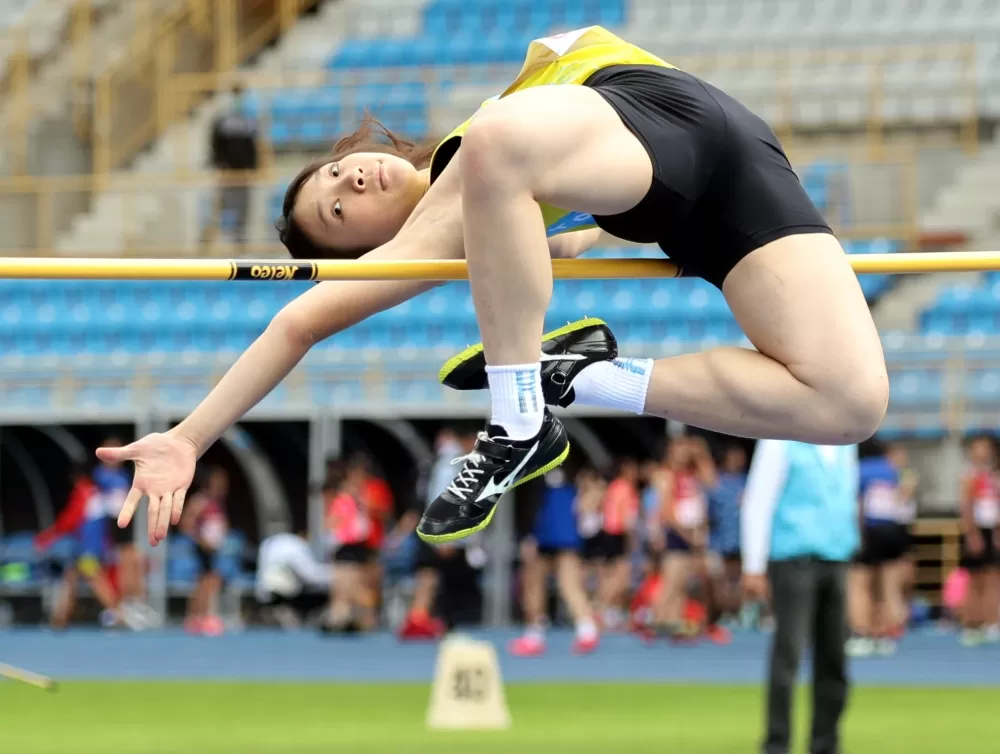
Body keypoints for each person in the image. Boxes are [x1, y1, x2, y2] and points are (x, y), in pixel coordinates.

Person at [97, 25, 887, 552]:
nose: (355, 181)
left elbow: (569, 223)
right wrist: (187, 438)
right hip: (699, 202)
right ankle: (569, 384)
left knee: (494, 143)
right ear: (373, 251)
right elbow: (298, 323)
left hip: (676, 116)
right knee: (848, 404)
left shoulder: (482, 149)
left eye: (338, 171)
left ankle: (521, 413)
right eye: (340, 211)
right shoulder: (451, 223)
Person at [741, 440, 860, 754]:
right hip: (794, 558)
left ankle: (826, 742)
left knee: (834, 657)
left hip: (836, 556)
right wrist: (753, 564)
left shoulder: (847, 443)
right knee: (788, 654)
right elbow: (758, 500)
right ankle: (777, 742)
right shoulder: (780, 440)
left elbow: (847, 496)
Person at [509, 467, 599, 656]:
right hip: (558, 532)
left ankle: (539, 633)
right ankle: (583, 629)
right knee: (556, 584)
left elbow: (529, 502)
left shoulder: (537, 469)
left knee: (546, 584)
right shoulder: (564, 472)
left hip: (552, 532)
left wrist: (526, 535)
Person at [848, 443, 917, 657]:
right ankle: (886, 634)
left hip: (871, 530)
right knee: (889, 586)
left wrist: (856, 535)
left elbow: (856, 503)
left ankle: (862, 634)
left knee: (859, 583)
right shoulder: (895, 471)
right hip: (895, 531)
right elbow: (903, 503)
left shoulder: (858, 469)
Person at [204, 84, 259, 248]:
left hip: (243, 174)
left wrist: (252, 168)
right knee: (220, 205)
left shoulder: (250, 121)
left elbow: (253, 147)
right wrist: (221, 166)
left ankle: (239, 239)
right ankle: (210, 238)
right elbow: (215, 146)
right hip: (226, 174)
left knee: (243, 206)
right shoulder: (221, 121)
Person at [958, 435, 1000, 647]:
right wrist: (972, 534)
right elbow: (966, 506)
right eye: (977, 448)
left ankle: (991, 621)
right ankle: (972, 623)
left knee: (993, 579)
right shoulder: (970, 476)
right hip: (977, 530)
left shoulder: (993, 476)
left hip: (992, 529)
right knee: (975, 580)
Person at [179, 466, 230, 636]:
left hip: (215, 547)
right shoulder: (200, 501)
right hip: (203, 547)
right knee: (204, 582)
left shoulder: (217, 503)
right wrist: (201, 540)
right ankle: (197, 617)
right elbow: (186, 523)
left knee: (210, 581)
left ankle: (202, 616)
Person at [255, 530, 332, 630]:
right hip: (286, 593)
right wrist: (333, 575)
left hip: (265, 590)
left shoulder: (269, 542)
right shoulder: (297, 545)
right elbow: (310, 575)